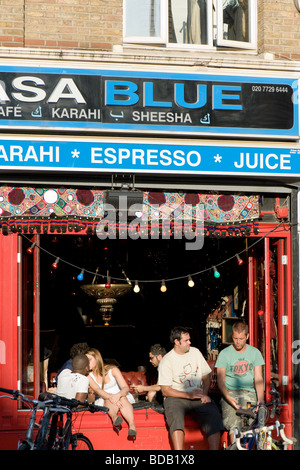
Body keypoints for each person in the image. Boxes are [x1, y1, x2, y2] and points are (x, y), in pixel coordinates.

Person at [158, 326, 224, 450]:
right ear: (176, 342)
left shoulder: (195, 352)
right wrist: (188, 395)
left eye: (189, 339)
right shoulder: (166, 360)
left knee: (213, 414)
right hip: (176, 396)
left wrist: (204, 394)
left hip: (198, 395)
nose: (190, 342)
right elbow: (165, 390)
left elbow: (206, 375)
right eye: (186, 340)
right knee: (175, 417)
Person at [215, 320, 265, 443]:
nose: (238, 342)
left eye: (241, 339)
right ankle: (234, 446)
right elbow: (220, 380)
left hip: (249, 393)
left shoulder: (255, 353)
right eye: (235, 338)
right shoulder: (224, 354)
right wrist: (227, 397)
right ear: (232, 336)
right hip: (230, 393)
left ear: (247, 336)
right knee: (234, 423)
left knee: (254, 422)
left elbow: (258, 378)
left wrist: (261, 399)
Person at [86, 348, 137, 440]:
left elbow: (125, 388)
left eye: (89, 360)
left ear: (97, 358)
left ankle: (132, 425)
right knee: (107, 400)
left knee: (123, 398)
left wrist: (117, 396)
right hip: (104, 398)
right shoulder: (89, 376)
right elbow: (98, 390)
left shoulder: (112, 369)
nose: (87, 362)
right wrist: (111, 397)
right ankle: (115, 418)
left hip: (120, 395)